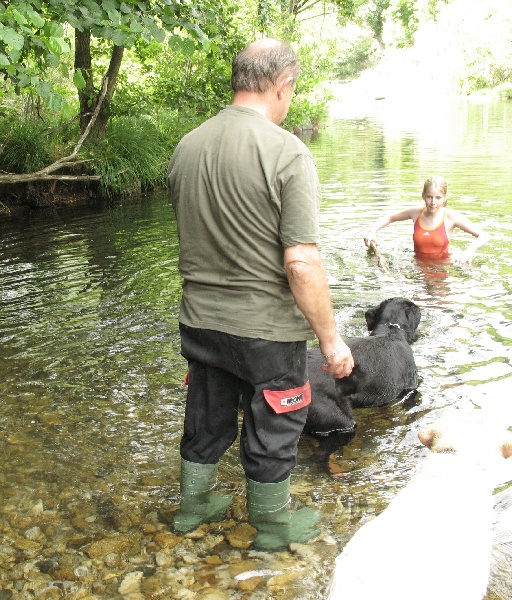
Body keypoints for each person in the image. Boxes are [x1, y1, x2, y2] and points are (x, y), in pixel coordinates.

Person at [167, 39, 354, 549]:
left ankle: (192, 509)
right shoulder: (286, 152)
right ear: (283, 85)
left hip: (200, 322)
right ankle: (271, 531)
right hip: (265, 332)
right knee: (275, 425)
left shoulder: (187, 146)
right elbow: (301, 260)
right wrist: (331, 340)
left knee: (206, 416)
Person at [363, 176, 489, 262]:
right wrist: (372, 231)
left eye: (438, 197)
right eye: (429, 197)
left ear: (445, 198)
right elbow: (391, 217)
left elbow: (484, 235)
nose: (433, 202)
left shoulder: (451, 217)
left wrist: (471, 249)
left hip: (442, 269)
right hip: (417, 268)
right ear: (423, 195)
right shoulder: (415, 213)